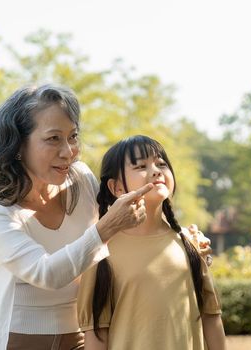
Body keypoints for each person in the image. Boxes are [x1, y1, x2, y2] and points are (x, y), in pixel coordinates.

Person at [0, 84, 210, 350]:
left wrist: (183, 249)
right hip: (16, 339)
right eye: (53, 139)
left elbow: (130, 232)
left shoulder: (80, 178)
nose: (68, 151)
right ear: (17, 145)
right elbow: (46, 273)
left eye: (72, 137)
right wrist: (105, 228)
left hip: (82, 336)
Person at [77, 135, 226, 350]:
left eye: (161, 163)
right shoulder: (100, 251)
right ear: (116, 187)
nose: (156, 170)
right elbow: (97, 333)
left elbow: (211, 316)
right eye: (140, 166)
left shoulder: (191, 243)